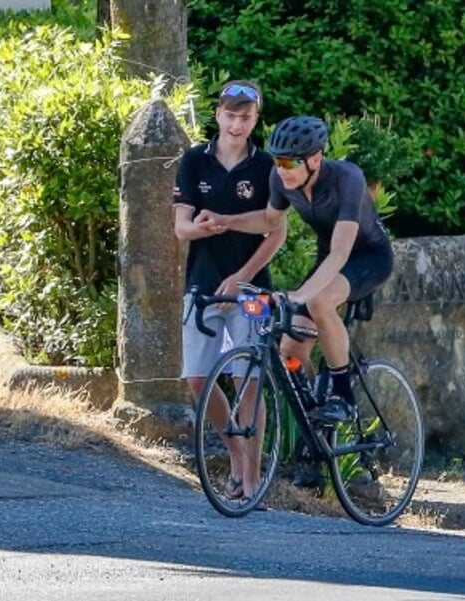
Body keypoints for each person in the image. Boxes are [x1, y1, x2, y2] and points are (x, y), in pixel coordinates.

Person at [196, 115, 394, 426]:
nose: (281, 170)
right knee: (291, 348)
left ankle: (343, 396)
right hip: (329, 260)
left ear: (315, 159)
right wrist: (227, 220)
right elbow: (269, 220)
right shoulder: (282, 179)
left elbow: (342, 252)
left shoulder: (347, 178)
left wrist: (300, 294)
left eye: (290, 164)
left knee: (319, 301)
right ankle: (317, 417)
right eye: (277, 162)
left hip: (367, 257)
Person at [173, 81, 286, 502]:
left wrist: (244, 274)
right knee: (199, 379)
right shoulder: (194, 161)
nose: (238, 123)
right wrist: (199, 227)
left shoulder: (267, 168)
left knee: (249, 380)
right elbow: (180, 226)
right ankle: (236, 453)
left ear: (255, 120)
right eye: (231, 115)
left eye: (246, 117)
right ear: (218, 115)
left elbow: (276, 233)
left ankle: (251, 480)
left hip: (252, 287)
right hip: (202, 282)